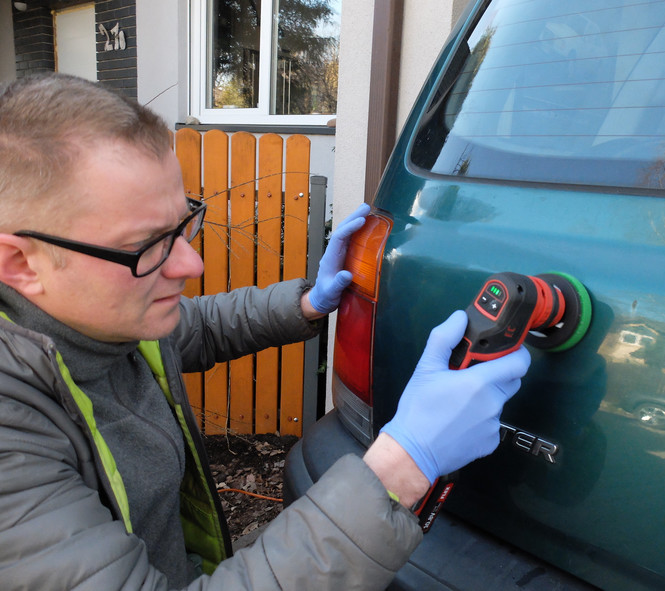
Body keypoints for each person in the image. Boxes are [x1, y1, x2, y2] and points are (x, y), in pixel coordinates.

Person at [0, 73, 530, 590]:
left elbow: (197, 328)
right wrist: (402, 465)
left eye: (182, 224)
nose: (190, 264)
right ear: (20, 263)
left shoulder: (101, 320)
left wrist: (307, 301)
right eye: (147, 246)